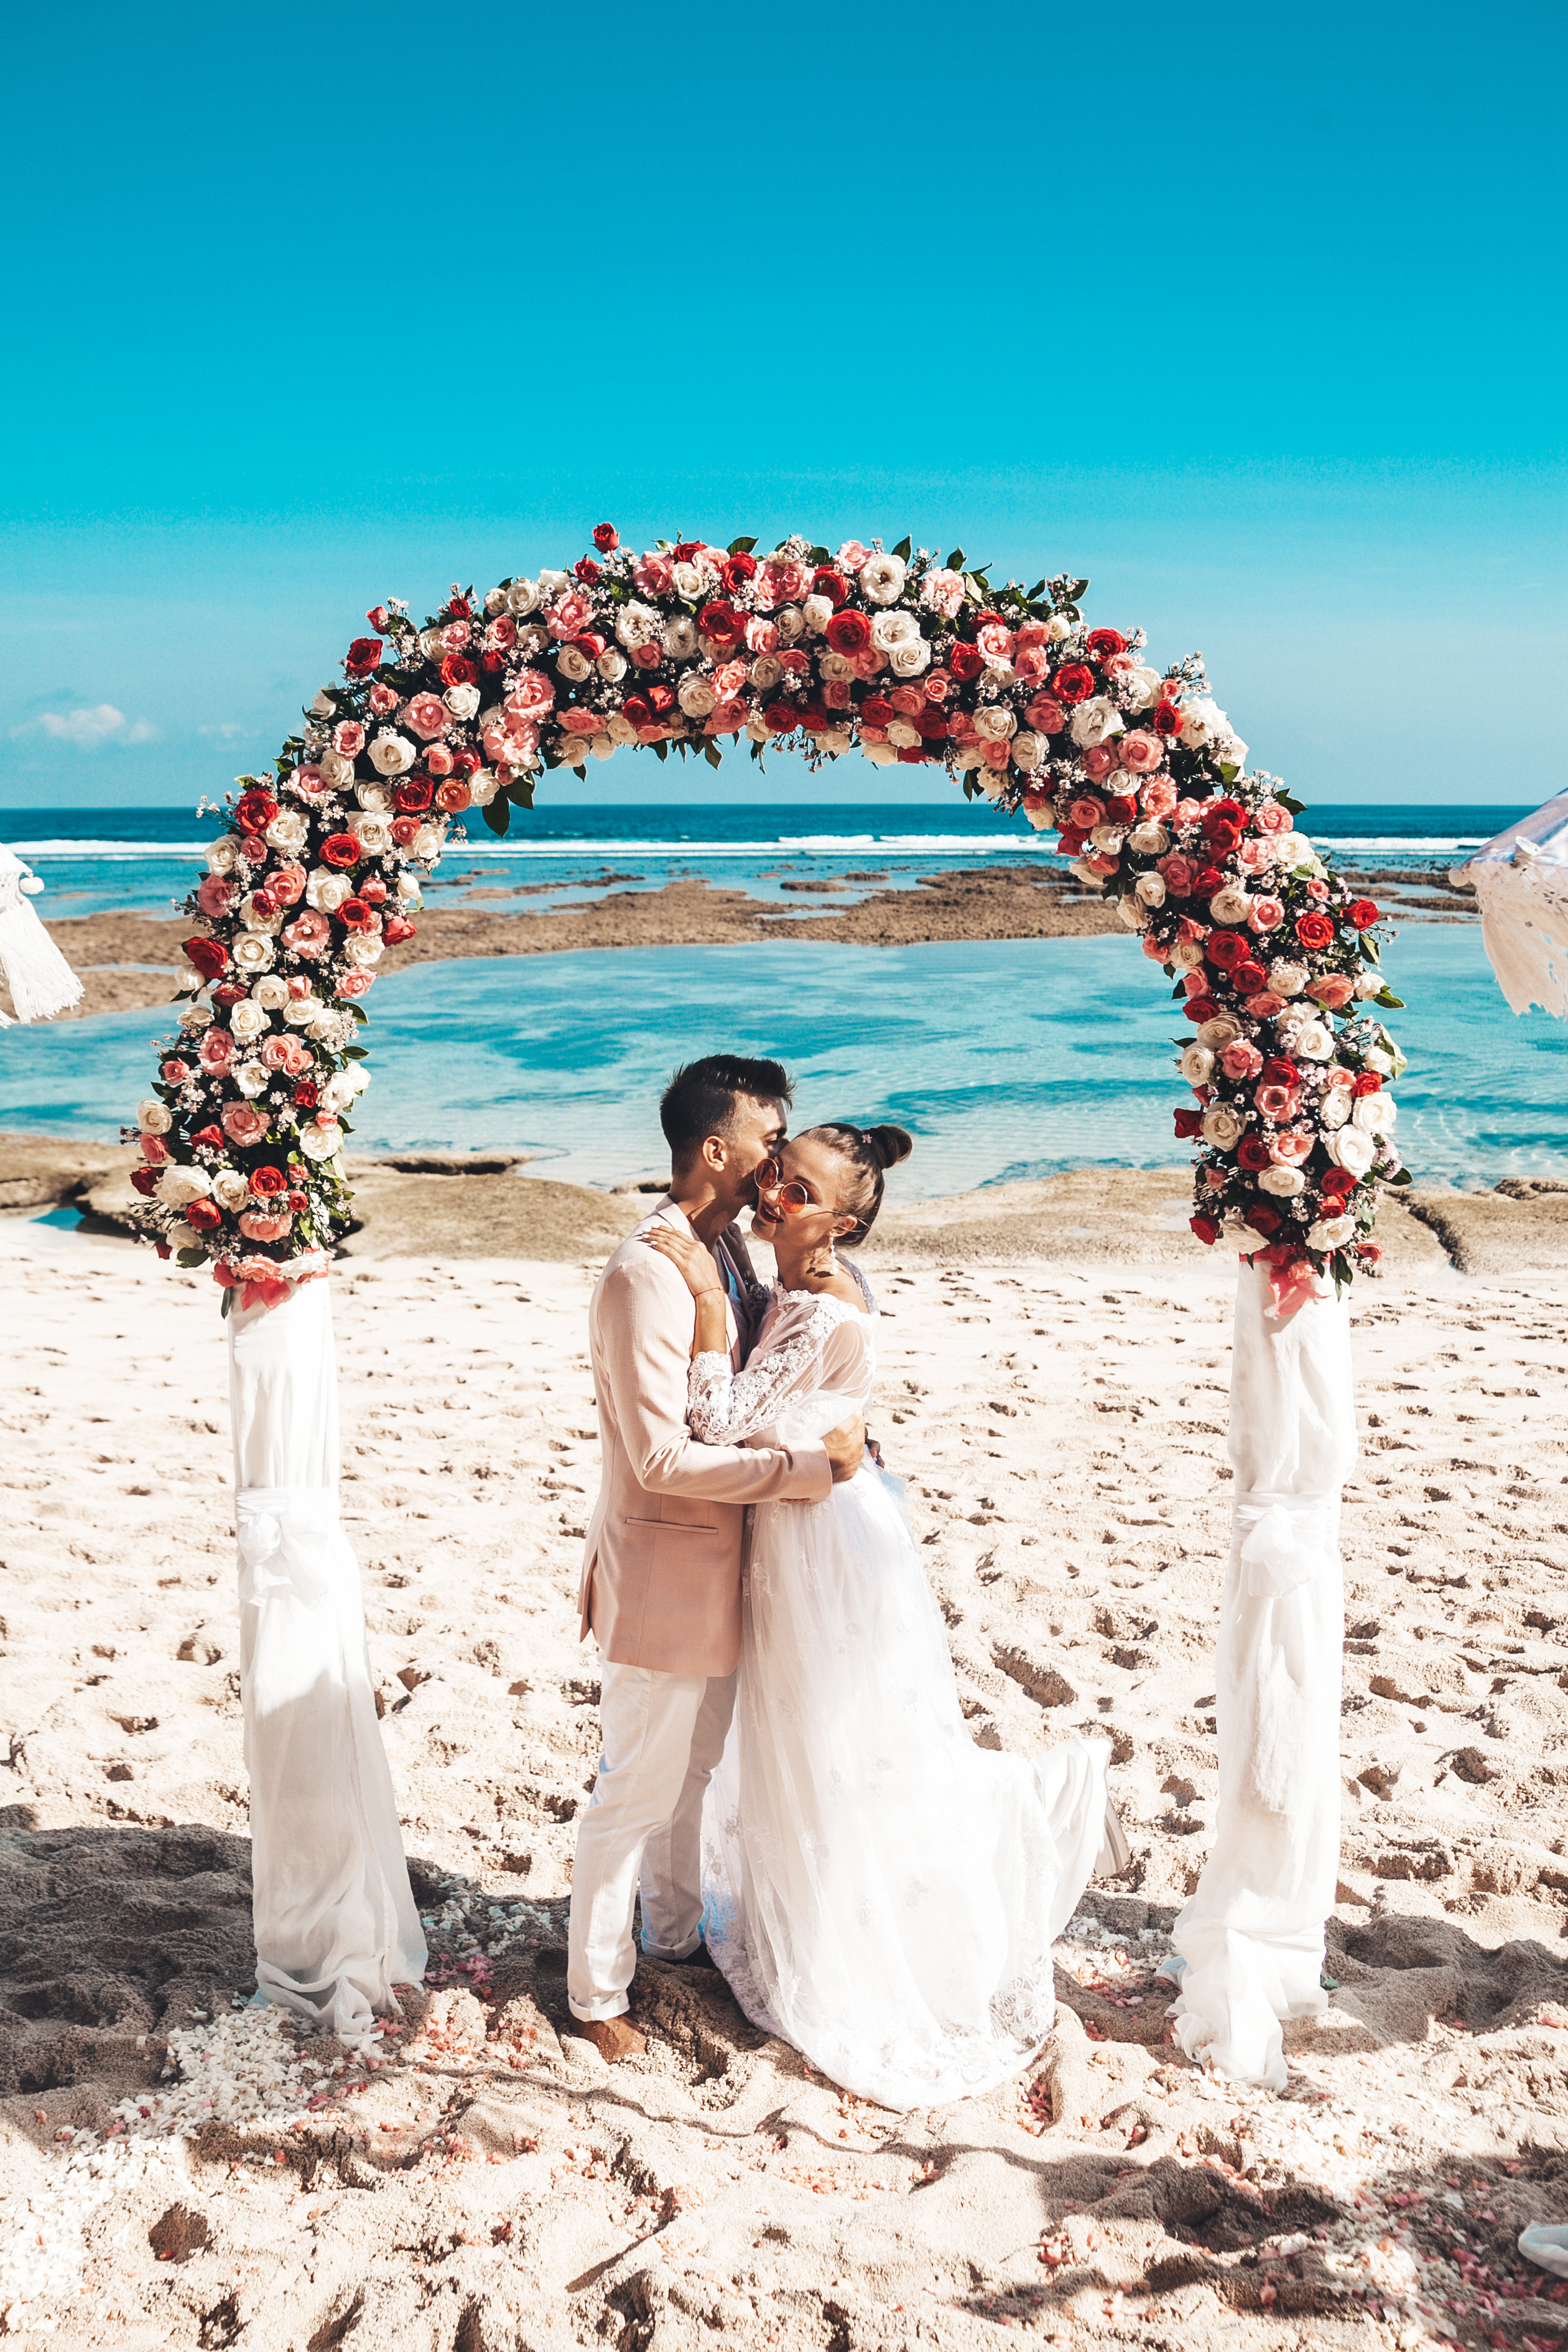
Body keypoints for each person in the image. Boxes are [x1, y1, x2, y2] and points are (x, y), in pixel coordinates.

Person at [647, 1122, 1129, 2110]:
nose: (776, 1195)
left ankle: (1043, 1806)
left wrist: (701, 1309)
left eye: (802, 1192)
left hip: (827, 1549)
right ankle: (822, 1915)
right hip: (808, 1526)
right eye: (777, 1177)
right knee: (808, 1739)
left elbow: (716, 1421)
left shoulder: (823, 1308)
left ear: (844, 1223)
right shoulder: (793, 1284)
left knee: (842, 1742)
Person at [567, 1056, 867, 2061]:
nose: (777, 1155)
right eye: (766, 1137)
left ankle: (671, 1932)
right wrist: (801, 1473)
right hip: (665, 1573)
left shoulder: (729, 1251)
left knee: (688, 1775)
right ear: (715, 1148)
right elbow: (659, 1456)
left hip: (732, 1567)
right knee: (635, 1787)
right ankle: (595, 1992)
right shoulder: (646, 1271)